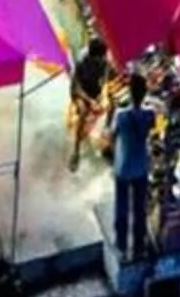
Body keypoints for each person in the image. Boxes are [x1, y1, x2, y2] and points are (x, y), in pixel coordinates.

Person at [110, 78, 158, 262]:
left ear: (129, 93)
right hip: (141, 167)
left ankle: (121, 245)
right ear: (144, 93)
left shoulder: (121, 115)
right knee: (139, 208)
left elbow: (112, 134)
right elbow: (152, 126)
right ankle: (139, 246)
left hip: (122, 167)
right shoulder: (149, 114)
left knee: (121, 206)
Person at [67, 38, 113, 171]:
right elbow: (76, 87)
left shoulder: (104, 62)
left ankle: (107, 137)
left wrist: (101, 96)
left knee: (113, 104)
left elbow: (104, 80)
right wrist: (89, 101)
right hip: (81, 92)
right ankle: (76, 150)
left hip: (95, 92)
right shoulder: (82, 62)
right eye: (100, 58)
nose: (103, 59)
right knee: (83, 111)